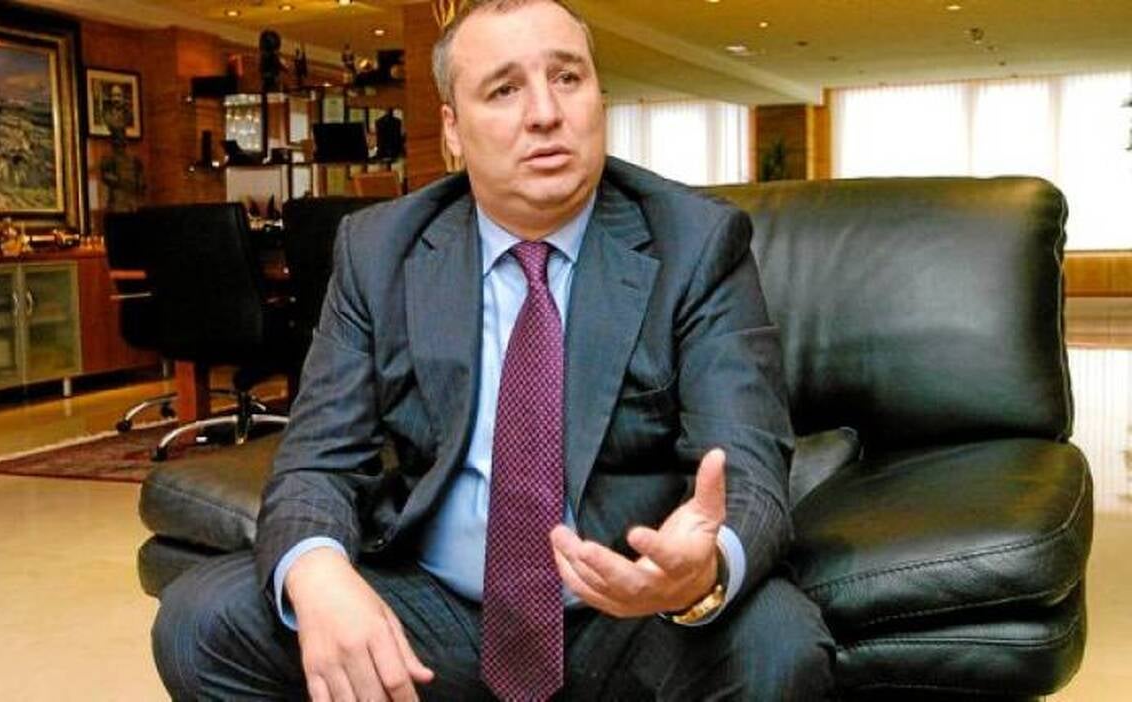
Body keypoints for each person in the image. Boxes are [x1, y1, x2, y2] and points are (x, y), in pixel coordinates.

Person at [152, 1, 835, 700]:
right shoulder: (378, 250)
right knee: (202, 621)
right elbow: (317, 459)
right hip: (433, 607)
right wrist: (319, 573)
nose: (545, 113)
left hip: (632, 607)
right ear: (452, 129)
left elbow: (745, 464)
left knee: (776, 646)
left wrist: (702, 567)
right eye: (504, 89)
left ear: (598, 98)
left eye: (567, 78)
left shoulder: (695, 242)